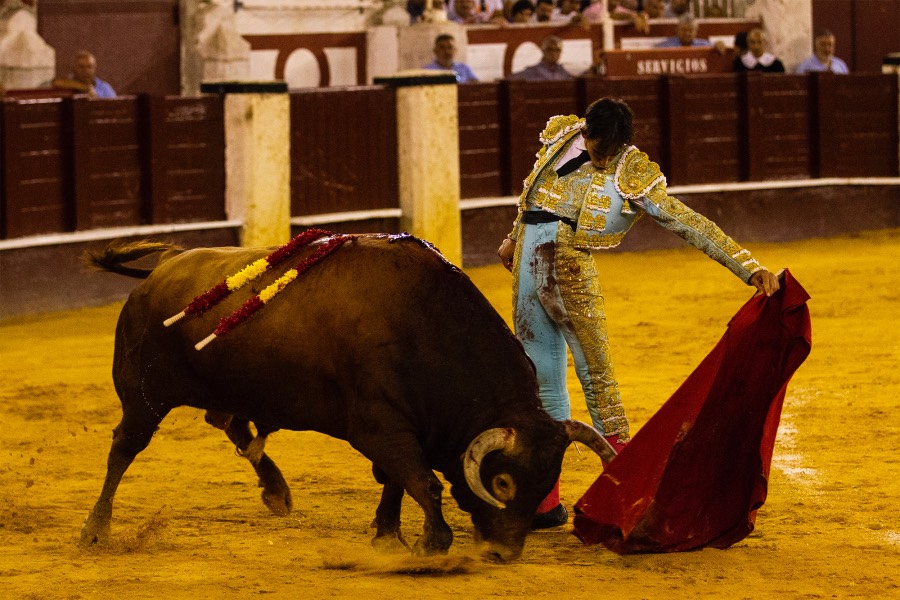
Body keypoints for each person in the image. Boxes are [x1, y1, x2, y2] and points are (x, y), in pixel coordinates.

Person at [496, 98, 779, 528]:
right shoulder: (563, 136)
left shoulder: (632, 169)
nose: (601, 157)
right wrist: (514, 235)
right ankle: (545, 501)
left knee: (596, 381)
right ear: (586, 131)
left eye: (609, 150)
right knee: (542, 380)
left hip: (567, 263)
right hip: (530, 267)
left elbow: (687, 221)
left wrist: (747, 265)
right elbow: (534, 190)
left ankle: (633, 495)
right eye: (596, 146)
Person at [509, 35, 573, 81]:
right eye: (549, 49)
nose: (553, 53)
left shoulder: (563, 72)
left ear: (560, 52)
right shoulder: (532, 71)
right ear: (543, 51)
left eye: (557, 50)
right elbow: (510, 79)